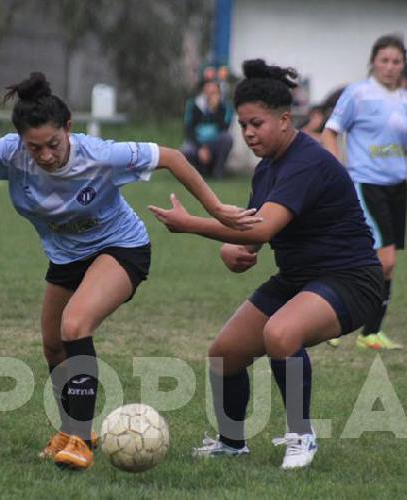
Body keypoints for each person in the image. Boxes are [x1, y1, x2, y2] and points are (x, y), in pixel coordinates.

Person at [0, 72, 261, 470]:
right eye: (34, 148)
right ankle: (71, 431)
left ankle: (79, 439)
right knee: (52, 344)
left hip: (122, 248)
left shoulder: (99, 154)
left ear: (68, 129)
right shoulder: (9, 153)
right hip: (66, 259)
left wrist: (216, 208)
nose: (44, 155)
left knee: (75, 325)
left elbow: (171, 157)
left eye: (53, 144)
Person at [147, 59, 385, 470]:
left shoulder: (307, 161)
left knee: (281, 333)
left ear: (285, 119)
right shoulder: (267, 169)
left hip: (351, 279)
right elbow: (253, 232)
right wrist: (233, 252)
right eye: (242, 125)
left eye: (256, 123)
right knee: (225, 353)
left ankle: (302, 437)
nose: (248, 133)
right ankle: (231, 442)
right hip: (298, 279)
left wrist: (191, 225)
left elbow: (259, 230)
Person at [320, 34, 407, 351]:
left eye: (396, 61)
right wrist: (340, 173)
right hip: (365, 184)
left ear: (404, 65)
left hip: (396, 188)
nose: (390, 67)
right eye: (384, 60)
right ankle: (335, 320)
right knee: (383, 261)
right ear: (373, 62)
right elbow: (329, 132)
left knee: (381, 261)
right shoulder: (358, 94)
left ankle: (370, 332)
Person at [182, 79, 235, 179]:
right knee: (186, 150)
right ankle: (197, 172)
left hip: (215, 144)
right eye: (207, 92)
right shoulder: (193, 104)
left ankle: (217, 171)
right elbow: (188, 129)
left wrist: (215, 110)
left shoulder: (225, 107)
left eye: (213, 92)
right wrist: (201, 147)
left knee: (227, 138)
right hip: (197, 143)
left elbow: (224, 127)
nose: (210, 95)